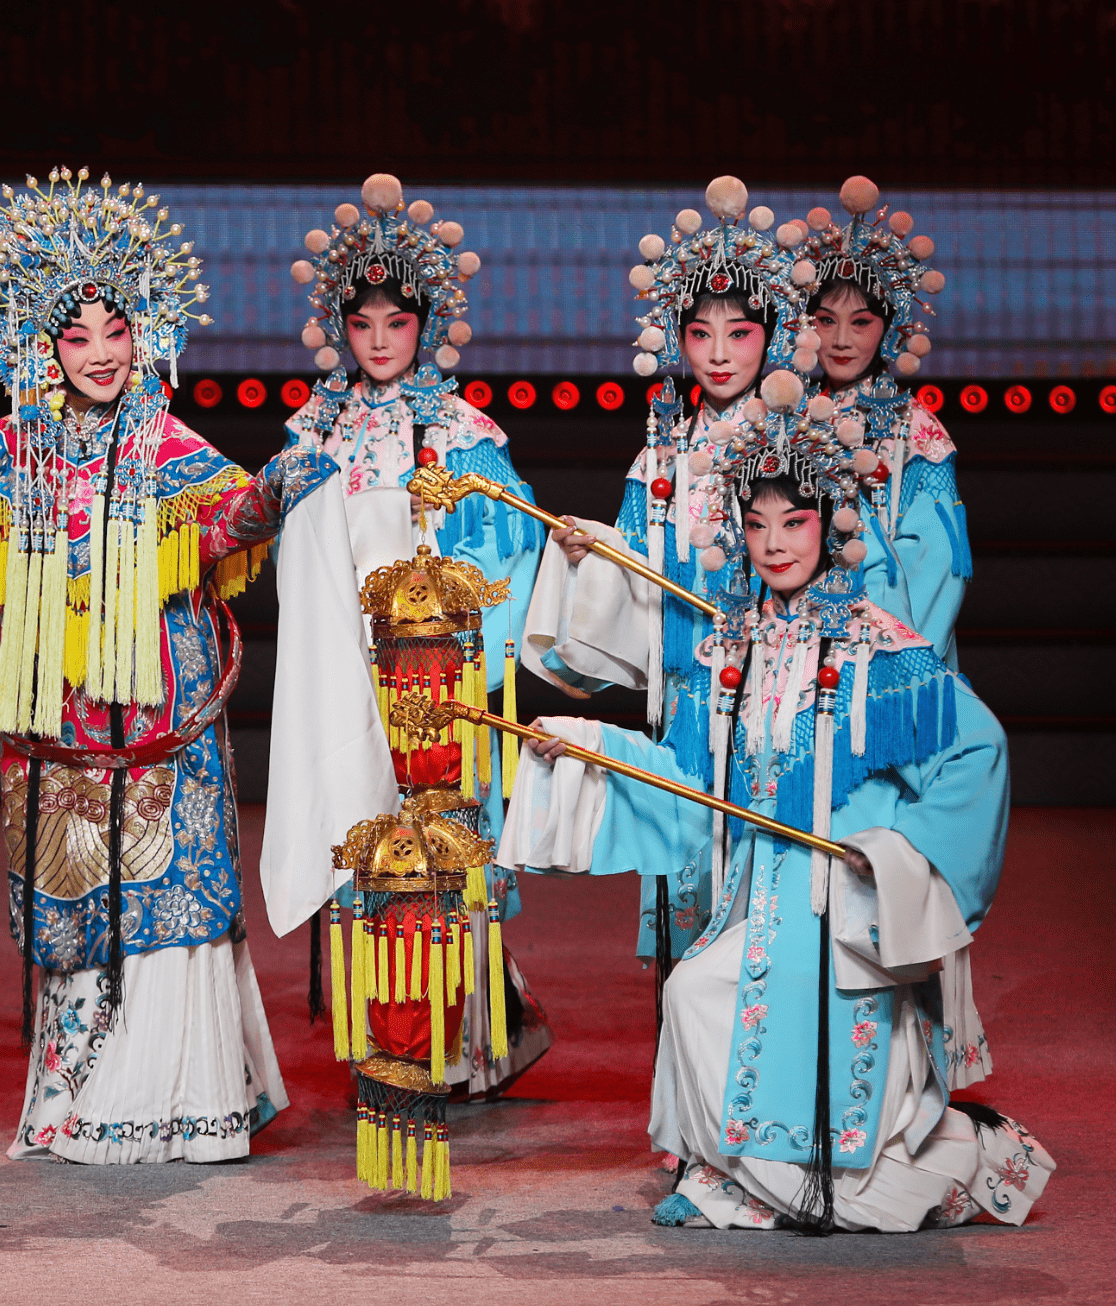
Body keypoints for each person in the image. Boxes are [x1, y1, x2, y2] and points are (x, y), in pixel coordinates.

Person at [0, 167, 335, 1163]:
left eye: (116, 333)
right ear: (41, 345)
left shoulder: (168, 444)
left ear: (145, 335)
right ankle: (73, 1094)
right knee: (70, 905)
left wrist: (277, 490)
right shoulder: (13, 447)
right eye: (77, 337)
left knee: (168, 902)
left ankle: (182, 1101)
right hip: (55, 713)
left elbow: (221, 523)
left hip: (161, 711)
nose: (102, 354)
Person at [502, 371, 1052, 1231]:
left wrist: (893, 852)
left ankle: (949, 1159)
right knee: (691, 994)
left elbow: (979, 750)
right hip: (754, 901)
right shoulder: (734, 643)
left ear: (830, 526)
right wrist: (588, 745)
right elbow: (690, 776)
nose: (772, 544)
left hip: (842, 909)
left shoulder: (880, 645)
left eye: (792, 523)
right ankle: (740, 1178)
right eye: (754, 525)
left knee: (853, 1158)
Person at [283, 173, 551, 1097]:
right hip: (344, 667)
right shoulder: (316, 432)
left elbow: (507, 558)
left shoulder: (468, 434)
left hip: (436, 677)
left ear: (426, 324)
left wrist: (459, 643)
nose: (381, 341)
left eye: (398, 324)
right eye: (363, 326)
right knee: (366, 846)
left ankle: (460, 1043)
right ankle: (379, 1041)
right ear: (342, 330)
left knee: (440, 851)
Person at [527, 177, 813, 969]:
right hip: (686, 696)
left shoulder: (806, 454)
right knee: (691, 863)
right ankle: (693, 1066)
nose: (719, 354)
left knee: (773, 864)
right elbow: (636, 565)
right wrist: (599, 550)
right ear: (675, 339)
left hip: (780, 689)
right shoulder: (660, 454)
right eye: (699, 333)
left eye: (741, 332)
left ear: (776, 334)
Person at [801, 176, 966, 662]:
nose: (841, 341)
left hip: (884, 646)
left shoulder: (917, 431)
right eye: (825, 320)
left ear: (891, 327)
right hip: (789, 644)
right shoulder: (784, 420)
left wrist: (901, 665)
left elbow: (937, 568)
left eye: (862, 322)